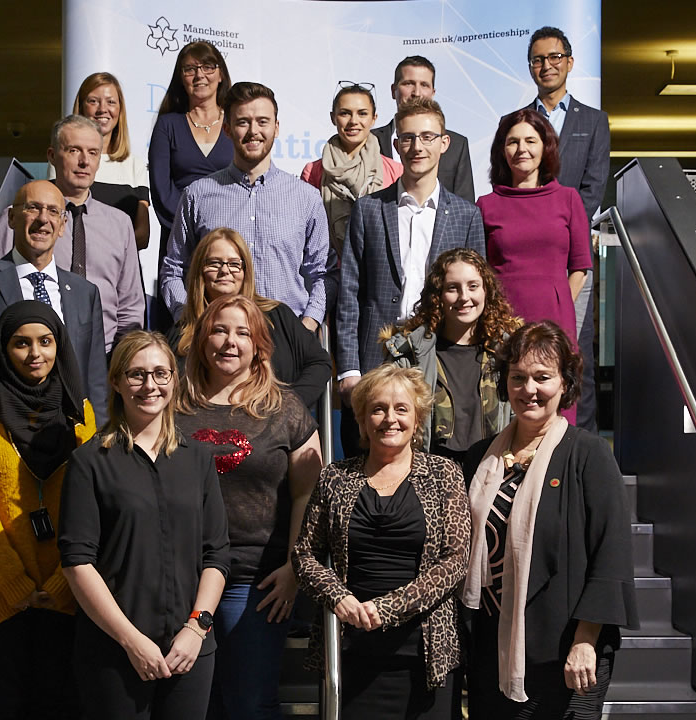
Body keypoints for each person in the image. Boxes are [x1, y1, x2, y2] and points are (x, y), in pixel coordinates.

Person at [460, 321, 637, 720]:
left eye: (542, 378)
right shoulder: (478, 458)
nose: (529, 390)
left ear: (565, 384)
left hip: (566, 652)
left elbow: (611, 554)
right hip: (491, 649)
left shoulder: (589, 456)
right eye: (518, 378)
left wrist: (586, 640)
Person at [58, 330, 230, 719]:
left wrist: (196, 628)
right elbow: (77, 562)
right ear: (116, 381)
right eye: (136, 374)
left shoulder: (198, 459)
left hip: (190, 650)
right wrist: (132, 642)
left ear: (174, 379)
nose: (149, 385)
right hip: (114, 653)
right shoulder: (90, 462)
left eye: (160, 373)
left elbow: (216, 554)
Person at [292, 364, 470, 720]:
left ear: (417, 419)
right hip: (352, 650)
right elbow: (304, 556)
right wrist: (339, 597)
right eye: (378, 409)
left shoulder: (444, 473)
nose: (390, 418)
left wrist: (387, 608)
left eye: (401, 409)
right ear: (362, 420)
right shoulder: (335, 478)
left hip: (425, 654)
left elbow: (454, 560)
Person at [176, 294, 323, 719]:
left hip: (255, 583)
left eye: (243, 332)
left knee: (249, 705)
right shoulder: (173, 406)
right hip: (184, 578)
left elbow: (307, 493)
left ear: (259, 346)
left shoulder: (285, 407)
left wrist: (296, 567)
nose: (230, 341)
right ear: (202, 339)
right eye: (219, 330)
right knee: (195, 705)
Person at [0, 300, 96, 720]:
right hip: (1, 598)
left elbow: (92, 507)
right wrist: (14, 585)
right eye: (22, 343)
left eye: (46, 342)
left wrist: (67, 583)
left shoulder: (79, 412)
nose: (36, 354)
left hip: (65, 592)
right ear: (3, 349)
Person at [336, 97, 484, 457]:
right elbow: (349, 294)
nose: (417, 147)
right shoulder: (369, 209)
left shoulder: (466, 215)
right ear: (396, 143)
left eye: (428, 137)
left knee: (433, 463)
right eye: (408, 138)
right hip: (377, 357)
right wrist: (349, 370)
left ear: (444, 143)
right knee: (367, 464)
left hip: (439, 359)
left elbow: (477, 297)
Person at [160, 82, 332, 333]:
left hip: (285, 338)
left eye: (263, 121)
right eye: (243, 122)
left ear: (277, 127)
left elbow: (322, 274)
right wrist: (189, 320)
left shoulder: (306, 198)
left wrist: (307, 326)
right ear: (227, 129)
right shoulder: (198, 195)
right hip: (218, 341)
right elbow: (174, 269)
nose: (254, 131)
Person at [0, 180, 107, 424]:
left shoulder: (85, 292)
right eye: (32, 208)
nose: (43, 219)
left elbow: (96, 382)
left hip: (67, 437)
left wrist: (97, 443)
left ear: (62, 225)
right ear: (11, 218)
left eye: (52, 211)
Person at [0, 115, 145, 353]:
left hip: (103, 360)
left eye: (92, 152)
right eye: (74, 150)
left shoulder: (120, 224)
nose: (84, 161)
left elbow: (130, 306)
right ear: (51, 156)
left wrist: (121, 361)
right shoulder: (22, 217)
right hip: (33, 358)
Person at [522, 26, 611, 433]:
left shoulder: (593, 122)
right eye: (538, 59)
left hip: (572, 256)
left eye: (555, 57)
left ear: (570, 63)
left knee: (576, 355)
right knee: (529, 355)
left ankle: (581, 442)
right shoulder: (521, 122)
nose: (547, 66)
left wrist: (565, 226)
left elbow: (594, 186)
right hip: (531, 258)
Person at [477, 108, 591, 423]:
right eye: (512, 142)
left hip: (556, 322)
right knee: (506, 410)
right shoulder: (486, 205)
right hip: (503, 323)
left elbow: (580, 267)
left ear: (546, 147)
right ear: (502, 150)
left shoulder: (568, 199)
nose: (522, 149)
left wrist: (559, 304)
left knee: (555, 409)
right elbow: (480, 274)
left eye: (531, 140)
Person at [383, 248, 520, 463]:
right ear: (438, 295)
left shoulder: (507, 351)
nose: (464, 297)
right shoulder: (409, 354)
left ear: (486, 291)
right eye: (453, 288)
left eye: (473, 286)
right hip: (430, 473)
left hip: (491, 469)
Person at [170, 227, 331, 408]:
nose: (225, 270)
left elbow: (319, 363)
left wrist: (288, 408)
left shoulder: (278, 317)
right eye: (214, 263)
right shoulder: (182, 333)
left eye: (234, 264)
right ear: (200, 271)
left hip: (275, 429)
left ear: (245, 271)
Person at [148, 41, 234, 266]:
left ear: (221, 74)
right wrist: (193, 226)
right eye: (190, 69)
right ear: (181, 78)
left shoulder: (236, 123)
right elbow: (161, 189)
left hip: (231, 240)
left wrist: (221, 229)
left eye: (207, 67)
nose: (199, 75)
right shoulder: (168, 125)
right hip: (180, 241)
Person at [301, 82, 403, 258]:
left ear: (374, 118)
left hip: (379, 270)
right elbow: (306, 231)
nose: (353, 121)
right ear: (333, 117)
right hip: (330, 272)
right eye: (345, 113)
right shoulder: (313, 172)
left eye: (362, 113)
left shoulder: (395, 171)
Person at [371, 56, 474, 202]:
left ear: (433, 92)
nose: (417, 93)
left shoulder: (457, 144)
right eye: (408, 83)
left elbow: (464, 207)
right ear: (394, 90)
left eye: (424, 85)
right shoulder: (370, 141)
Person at [72, 71, 152, 250]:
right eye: (93, 101)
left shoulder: (135, 166)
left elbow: (142, 236)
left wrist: (105, 251)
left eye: (111, 102)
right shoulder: (65, 161)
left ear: (120, 110)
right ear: (82, 107)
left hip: (121, 270)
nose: (102, 109)